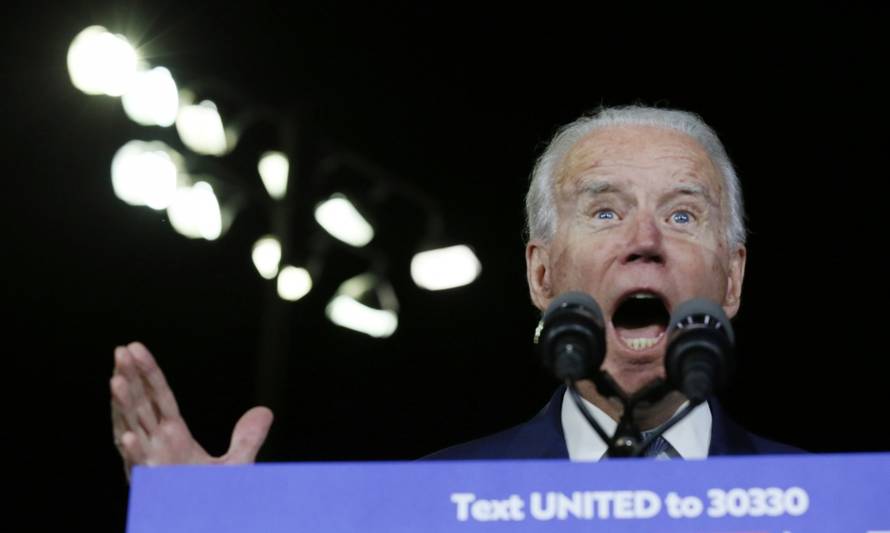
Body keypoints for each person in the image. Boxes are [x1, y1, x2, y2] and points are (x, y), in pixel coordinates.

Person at [110, 105, 798, 478]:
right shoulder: (435, 500)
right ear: (540, 274)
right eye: (605, 211)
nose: (644, 239)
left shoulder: (838, 510)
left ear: (731, 278)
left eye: (682, 215)